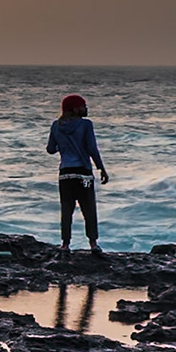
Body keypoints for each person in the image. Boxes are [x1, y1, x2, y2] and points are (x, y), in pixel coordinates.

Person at [46, 93, 108, 256]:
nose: (86, 108)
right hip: (83, 174)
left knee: (66, 210)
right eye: (83, 106)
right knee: (89, 209)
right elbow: (92, 149)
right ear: (75, 108)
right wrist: (101, 168)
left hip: (65, 174)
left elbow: (51, 149)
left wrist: (65, 145)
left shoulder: (55, 125)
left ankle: (65, 244)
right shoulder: (86, 125)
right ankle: (93, 244)